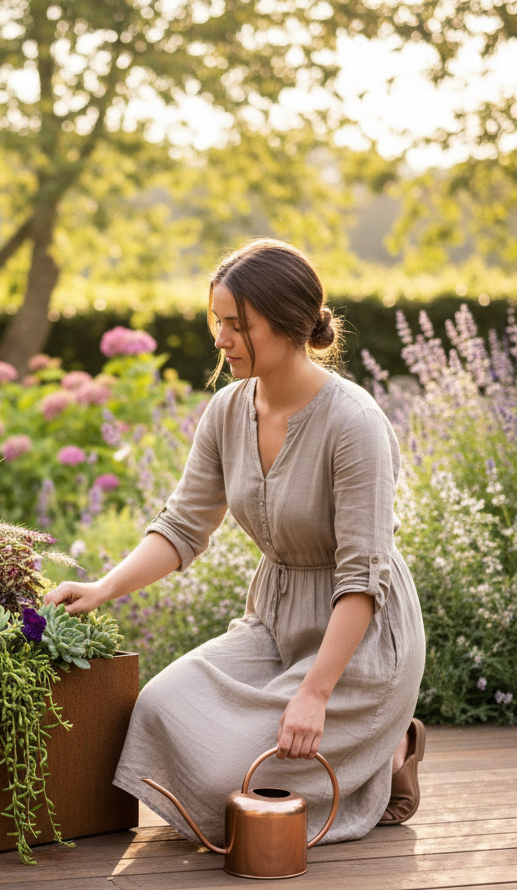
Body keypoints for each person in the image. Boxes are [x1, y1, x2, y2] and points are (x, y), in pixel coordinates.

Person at [46, 238, 426, 846]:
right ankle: (374, 747)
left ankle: (391, 744)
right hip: (273, 623)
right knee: (159, 710)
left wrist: (314, 693)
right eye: (217, 322)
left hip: (358, 641)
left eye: (237, 325)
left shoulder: (354, 423)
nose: (220, 339)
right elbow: (182, 525)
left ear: (290, 324)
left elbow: (363, 579)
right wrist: (103, 587)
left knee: (231, 775)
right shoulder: (227, 409)